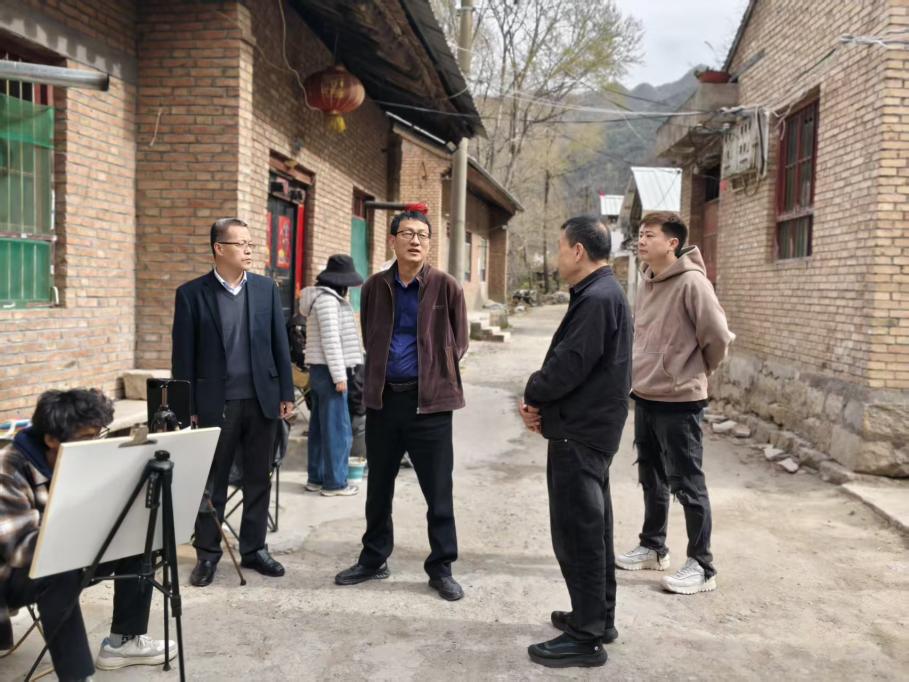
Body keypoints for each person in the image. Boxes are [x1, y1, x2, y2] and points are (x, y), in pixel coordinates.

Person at [334, 209, 469, 601]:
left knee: (438, 491)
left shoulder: (446, 287)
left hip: (430, 404)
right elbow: (371, 335)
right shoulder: (374, 287)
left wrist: (435, 372)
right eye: (407, 233)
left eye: (423, 235)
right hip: (384, 401)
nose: (415, 241)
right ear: (392, 240)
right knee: (378, 488)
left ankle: (441, 567)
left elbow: (459, 342)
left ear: (429, 243)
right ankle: (374, 559)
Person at [519, 216, 632, 668]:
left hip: (581, 433)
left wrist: (533, 393)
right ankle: (598, 618)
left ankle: (586, 637)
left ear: (579, 251)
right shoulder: (601, 292)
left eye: (560, 247)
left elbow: (569, 365)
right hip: (590, 429)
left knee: (578, 534)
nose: (558, 256)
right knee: (594, 529)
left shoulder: (598, 298)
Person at [0, 389, 175, 681]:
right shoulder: (8, 469)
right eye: (86, 437)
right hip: (13, 573)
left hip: (73, 552)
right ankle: (78, 676)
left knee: (137, 534)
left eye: (98, 435)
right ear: (51, 439)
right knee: (57, 573)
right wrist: (87, 533)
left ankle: (124, 641)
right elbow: (21, 550)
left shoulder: (80, 456)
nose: (94, 444)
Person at [171, 217, 294, 587]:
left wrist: (286, 393)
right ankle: (208, 554)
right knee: (212, 483)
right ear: (219, 248)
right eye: (241, 244)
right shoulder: (192, 294)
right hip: (215, 404)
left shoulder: (265, 289)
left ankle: (254, 550)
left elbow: (280, 344)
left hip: (261, 399)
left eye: (251, 244)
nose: (249, 250)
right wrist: (186, 408)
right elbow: (183, 357)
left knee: (259, 478)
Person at [616, 212, 734, 595]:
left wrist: (693, 371)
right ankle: (654, 546)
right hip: (646, 394)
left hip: (680, 399)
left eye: (649, 235)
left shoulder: (692, 283)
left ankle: (702, 566)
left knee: (687, 482)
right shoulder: (647, 281)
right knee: (651, 475)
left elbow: (718, 337)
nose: (641, 240)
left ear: (672, 243)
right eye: (640, 234)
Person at [299, 254, 364, 497]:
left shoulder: (321, 298)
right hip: (329, 372)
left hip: (321, 371)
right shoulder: (327, 301)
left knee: (319, 428)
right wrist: (340, 377)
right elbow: (331, 341)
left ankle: (316, 479)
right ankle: (335, 483)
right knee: (338, 429)